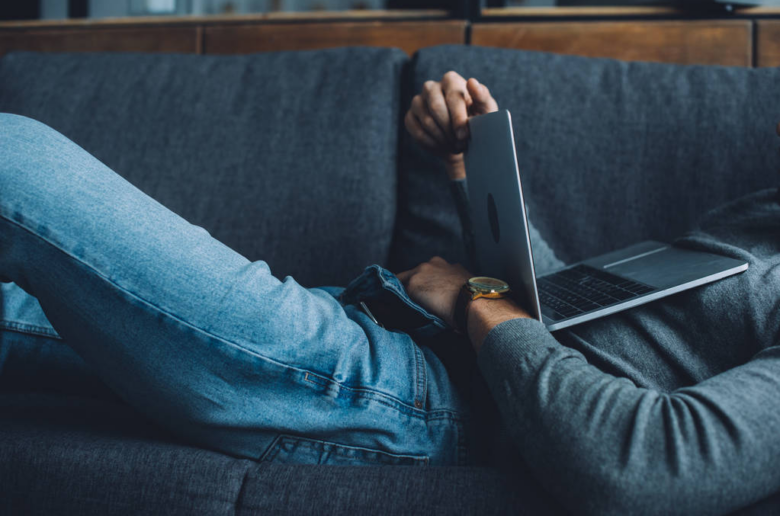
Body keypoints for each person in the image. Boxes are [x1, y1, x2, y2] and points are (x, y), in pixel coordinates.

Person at [1, 71, 778, 515]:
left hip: (412, 398)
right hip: (384, 326)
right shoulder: (760, 215)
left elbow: (639, 463)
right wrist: (466, 167)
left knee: (18, 162)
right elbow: (575, 323)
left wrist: (475, 297)